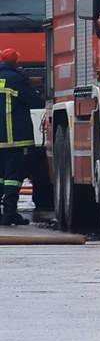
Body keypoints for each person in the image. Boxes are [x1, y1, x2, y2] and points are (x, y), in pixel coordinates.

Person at [0, 49, 33, 227]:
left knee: (0, 176)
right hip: (14, 139)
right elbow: (35, 101)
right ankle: (9, 213)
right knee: (13, 176)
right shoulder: (17, 80)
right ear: (15, 63)